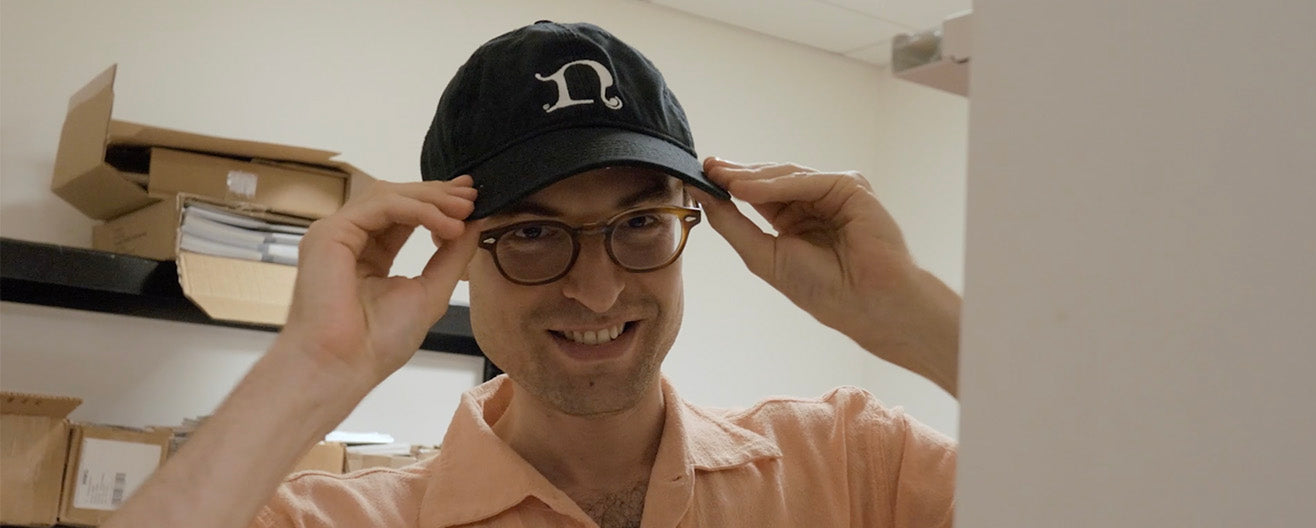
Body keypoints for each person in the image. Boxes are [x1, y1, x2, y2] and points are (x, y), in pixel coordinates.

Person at [104, 21, 960, 528]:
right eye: (533, 234)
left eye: (638, 223)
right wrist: (310, 370)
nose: (597, 289)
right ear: (452, 251)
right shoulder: (336, 520)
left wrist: (915, 319)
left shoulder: (852, 467)